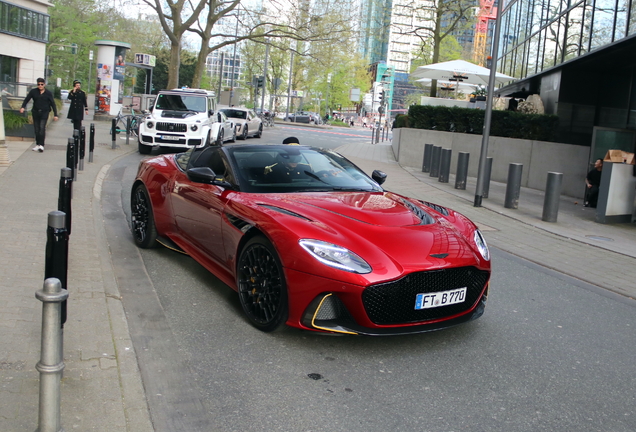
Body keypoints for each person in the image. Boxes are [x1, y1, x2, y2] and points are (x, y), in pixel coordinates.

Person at [20, 78, 58, 152]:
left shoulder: (48, 93)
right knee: (37, 129)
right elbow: (27, 99)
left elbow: (53, 104)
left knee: (42, 128)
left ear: (44, 84)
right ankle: (38, 144)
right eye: (38, 84)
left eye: (41, 84)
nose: (40, 86)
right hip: (35, 112)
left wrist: (55, 114)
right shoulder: (33, 91)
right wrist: (23, 107)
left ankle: (41, 145)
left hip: (44, 112)